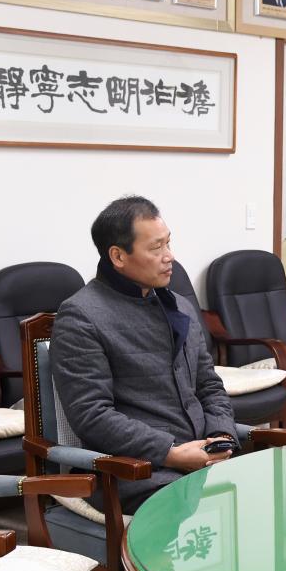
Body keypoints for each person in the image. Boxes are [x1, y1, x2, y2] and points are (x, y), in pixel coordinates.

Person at [52, 196, 237, 514]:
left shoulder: (179, 305)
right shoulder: (81, 315)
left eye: (168, 244)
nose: (170, 257)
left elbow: (208, 385)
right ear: (118, 256)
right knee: (197, 508)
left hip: (201, 454)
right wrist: (172, 453)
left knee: (275, 491)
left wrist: (220, 435)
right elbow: (92, 415)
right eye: (156, 248)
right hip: (137, 471)